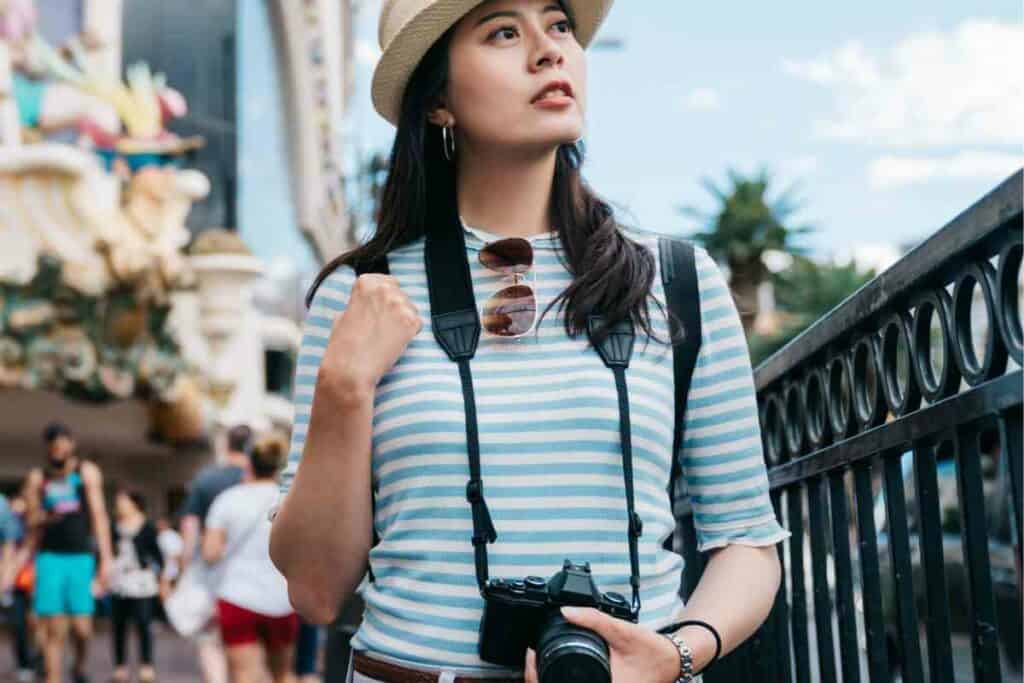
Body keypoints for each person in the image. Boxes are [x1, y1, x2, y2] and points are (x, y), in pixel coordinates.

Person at [270, 1, 790, 681]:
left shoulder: (677, 281)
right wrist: (344, 388)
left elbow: (747, 542)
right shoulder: (361, 296)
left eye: (560, 26)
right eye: (503, 32)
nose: (549, 51)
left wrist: (678, 650)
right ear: (438, 102)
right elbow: (315, 589)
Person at [203, 433, 297, 683]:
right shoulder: (289, 500)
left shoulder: (228, 500)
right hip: (282, 598)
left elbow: (210, 553)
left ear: (249, 463)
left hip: (237, 597)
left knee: (244, 676)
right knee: (283, 675)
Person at [24, 422, 113, 683]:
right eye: (53, 444)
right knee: (53, 628)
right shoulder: (38, 477)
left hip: (81, 558)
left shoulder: (86, 472)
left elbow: (98, 516)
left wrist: (105, 559)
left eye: (63, 442)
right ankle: (54, 677)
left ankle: (79, 666)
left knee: (82, 628)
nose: (59, 448)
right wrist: (40, 515)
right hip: (50, 557)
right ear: (48, 448)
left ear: (71, 443)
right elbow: (30, 521)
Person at [179, 424, 252, 683]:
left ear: (226, 445)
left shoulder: (206, 479)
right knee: (247, 647)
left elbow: (190, 524)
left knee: (210, 642)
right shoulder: (259, 480)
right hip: (250, 574)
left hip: (211, 572)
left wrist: (185, 564)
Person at [109, 489, 165, 683]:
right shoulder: (114, 526)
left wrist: (154, 571)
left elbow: (158, 556)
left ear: (134, 503)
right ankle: (120, 666)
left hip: (141, 582)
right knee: (118, 625)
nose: (120, 505)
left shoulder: (147, 527)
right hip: (118, 582)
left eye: (123, 501)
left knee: (143, 624)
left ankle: (146, 665)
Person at [2, 495, 40, 682]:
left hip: (38, 582)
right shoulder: (8, 528)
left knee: (38, 624)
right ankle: (24, 663)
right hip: (17, 584)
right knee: (18, 625)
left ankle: (39, 660)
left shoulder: (37, 527)